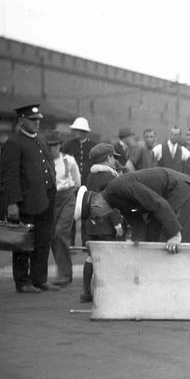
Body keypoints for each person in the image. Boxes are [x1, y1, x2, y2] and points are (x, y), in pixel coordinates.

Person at [0, 104, 58, 293]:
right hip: (26, 202)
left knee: (43, 241)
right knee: (22, 242)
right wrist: (12, 203)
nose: (37, 122)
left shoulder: (40, 140)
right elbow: (9, 176)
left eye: (38, 119)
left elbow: (48, 166)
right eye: (32, 120)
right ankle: (23, 281)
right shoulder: (14, 143)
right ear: (21, 120)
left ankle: (39, 279)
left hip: (45, 199)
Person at [75, 167, 190, 251]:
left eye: (96, 216)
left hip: (180, 189)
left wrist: (174, 234)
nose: (101, 218)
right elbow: (138, 222)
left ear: (96, 205)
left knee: (169, 241)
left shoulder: (118, 187)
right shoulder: (114, 199)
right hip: (166, 199)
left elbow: (157, 203)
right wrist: (137, 244)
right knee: (153, 240)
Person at [79, 143, 124, 303]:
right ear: (107, 158)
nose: (114, 161)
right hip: (106, 225)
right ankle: (104, 293)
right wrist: (117, 224)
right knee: (106, 257)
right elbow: (112, 202)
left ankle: (85, 291)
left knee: (91, 256)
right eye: (113, 157)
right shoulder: (110, 177)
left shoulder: (91, 176)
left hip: (92, 225)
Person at [46, 130, 81, 287]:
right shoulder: (44, 162)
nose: (53, 149)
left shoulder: (69, 160)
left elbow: (77, 182)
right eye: (50, 146)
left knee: (61, 232)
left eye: (55, 145)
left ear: (60, 146)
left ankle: (65, 274)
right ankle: (64, 273)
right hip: (51, 200)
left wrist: (69, 197)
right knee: (53, 235)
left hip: (67, 198)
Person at [62, 117, 95, 245]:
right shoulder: (67, 146)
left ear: (86, 132)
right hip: (72, 185)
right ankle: (69, 243)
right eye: (76, 130)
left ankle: (86, 243)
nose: (78, 132)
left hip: (88, 185)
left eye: (80, 130)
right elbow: (63, 164)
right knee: (71, 214)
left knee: (86, 214)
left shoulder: (93, 146)